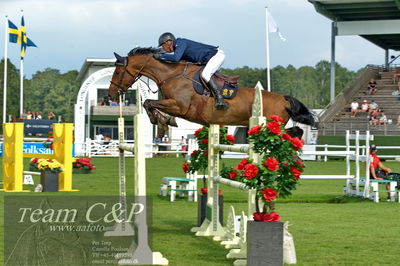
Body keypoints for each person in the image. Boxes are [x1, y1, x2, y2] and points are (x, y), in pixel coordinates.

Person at [155, 32, 228, 110]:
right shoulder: (178, 48)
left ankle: (220, 98)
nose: (163, 49)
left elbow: (176, 58)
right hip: (208, 59)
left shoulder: (180, 43)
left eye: (163, 46)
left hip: (216, 56)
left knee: (205, 74)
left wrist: (161, 56)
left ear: (168, 42)